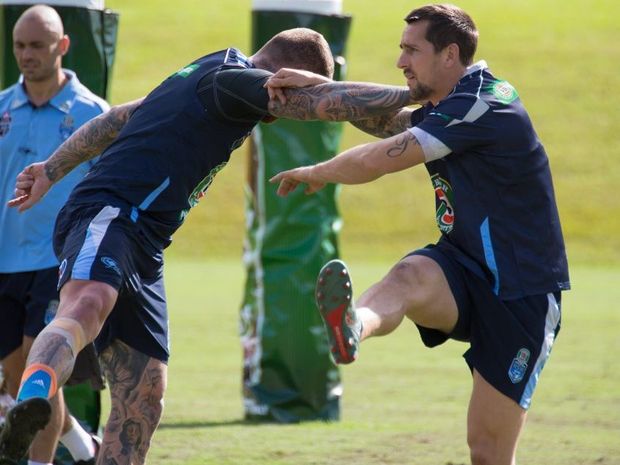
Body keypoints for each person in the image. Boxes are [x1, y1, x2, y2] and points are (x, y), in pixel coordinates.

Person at [1, 26, 415, 464]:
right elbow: (327, 105)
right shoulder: (235, 82)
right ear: (285, 72)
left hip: (146, 243)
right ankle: (30, 400)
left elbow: (121, 116)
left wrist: (52, 169)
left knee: (144, 397)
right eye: (285, 101)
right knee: (87, 303)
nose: (278, 114)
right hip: (112, 213)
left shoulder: (207, 70)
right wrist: (417, 91)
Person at [268, 4, 570, 465]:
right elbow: (389, 117)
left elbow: (380, 156)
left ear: (450, 55)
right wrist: (329, 91)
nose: (401, 61)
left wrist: (319, 170)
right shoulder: (453, 105)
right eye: (400, 49)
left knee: (487, 452)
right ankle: (353, 326)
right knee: (408, 275)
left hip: (521, 291)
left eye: (412, 50)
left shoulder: (485, 103)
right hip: (461, 267)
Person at [0, 5, 109, 465]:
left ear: (62, 46)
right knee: (16, 379)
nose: (28, 55)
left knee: (36, 374)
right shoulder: (2, 108)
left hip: (59, 261)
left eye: (37, 46)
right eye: (20, 46)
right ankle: (87, 449)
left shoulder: (94, 114)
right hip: (6, 260)